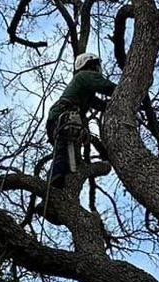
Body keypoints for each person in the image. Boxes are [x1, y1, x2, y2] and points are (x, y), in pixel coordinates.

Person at [45, 51, 116, 186]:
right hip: (63, 116)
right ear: (92, 64)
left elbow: (99, 104)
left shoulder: (83, 85)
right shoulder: (85, 75)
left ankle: (57, 178)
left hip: (57, 120)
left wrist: (110, 106)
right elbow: (106, 86)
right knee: (63, 150)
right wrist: (123, 91)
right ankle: (54, 177)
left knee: (65, 154)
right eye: (97, 65)